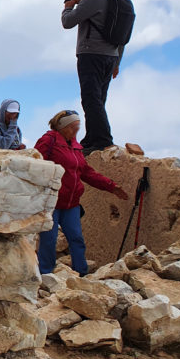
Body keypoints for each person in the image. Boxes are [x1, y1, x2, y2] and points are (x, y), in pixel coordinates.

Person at [35, 110, 128, 275]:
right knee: (49, 240)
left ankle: (81, 273)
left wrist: (111, 186)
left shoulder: (76, 147)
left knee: (77, 239)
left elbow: (86, 172)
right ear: (63, 127)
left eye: (78, 127)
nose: (76, 130)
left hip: (72, 204)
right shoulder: (48, 141)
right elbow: (35, 165)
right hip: (51, 202)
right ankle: (46, 274)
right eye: (73, 127)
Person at [61, 0, 125, 154]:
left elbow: (68, 22)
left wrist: (68, 7)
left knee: (90, 99)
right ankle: (91, 138)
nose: (74, 1)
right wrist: (117, 62)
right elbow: (121, 36)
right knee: (98, 100)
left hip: (91, 54)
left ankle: (102, 141)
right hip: (110, 56)